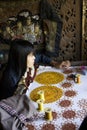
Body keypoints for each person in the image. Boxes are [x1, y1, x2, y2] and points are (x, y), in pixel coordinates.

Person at [0, 39, 70, 100]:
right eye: (31, 55)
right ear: (21, 58)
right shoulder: (10, 77)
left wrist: (55, 63)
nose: (34, 57)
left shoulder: (25, 63)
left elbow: (41, 57)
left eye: (33, 54)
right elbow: (7, 101)